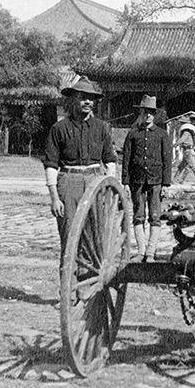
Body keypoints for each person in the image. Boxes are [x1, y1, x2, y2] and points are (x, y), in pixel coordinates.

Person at [43, 76, 117, 275]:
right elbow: (50, 164)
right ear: (72, 100)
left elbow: (110, 160)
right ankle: (69, 289)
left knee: (94, 236)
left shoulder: (102, 128)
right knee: (69, 236)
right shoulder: (59, 129)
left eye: (91, 98)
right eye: (82, 97)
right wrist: (54, 198)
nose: (87, 102)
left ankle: (90, 287)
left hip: (96, 180)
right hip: (69, 183)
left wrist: (111, 189)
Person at [122, 95, 172, 262]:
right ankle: (141, 252)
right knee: (138, 215)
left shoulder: (162, 135)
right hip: (137, 181)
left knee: (155, 216)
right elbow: (126, 160)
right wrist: (126, 182)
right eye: (145, 112)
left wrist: (166, 183)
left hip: (156, 181)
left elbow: (167, 160)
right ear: (141, 113)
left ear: (155, 114)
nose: (148, 115)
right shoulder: (132, 135)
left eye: (151, 112)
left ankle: (151, 252)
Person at [173, 115, 195, 185]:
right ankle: (176, 179)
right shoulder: (190, 130)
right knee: (182, 166)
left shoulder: (186, 131)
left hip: (188, 150)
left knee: (192, 166)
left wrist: (174, 145)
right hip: (188, 150)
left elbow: (182, 140)